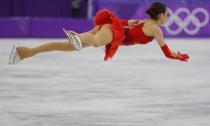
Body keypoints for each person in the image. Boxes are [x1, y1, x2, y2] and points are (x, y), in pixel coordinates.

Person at [9, 2, 189, 65]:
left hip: (112, 29)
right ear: (161, 15)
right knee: (95, 42)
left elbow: (128, 25)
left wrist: (127, 23)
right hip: (113, 32)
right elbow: (166, 52)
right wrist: (178, 56)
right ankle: (77, 37)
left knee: (66, 47)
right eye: (167, 14)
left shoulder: (146, 23)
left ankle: (26, 52)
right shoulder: (156, 29)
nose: (168, 17)